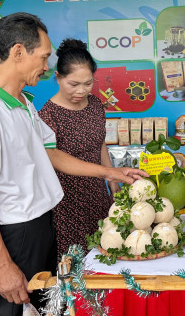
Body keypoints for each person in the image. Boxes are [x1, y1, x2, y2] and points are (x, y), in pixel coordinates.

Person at [0, 12, 147, 316]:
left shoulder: (22, 103)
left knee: (44, 307)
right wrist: (1, 265)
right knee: (13, 308)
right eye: (44, 57)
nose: (46, 66)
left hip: (42, 224)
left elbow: (52, 154)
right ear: (18, 52)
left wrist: (110, 172)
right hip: (16, 234)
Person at [38, 38, 121, 258]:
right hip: (66, 204)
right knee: (74, 265)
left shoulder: (95, 105)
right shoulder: (48, 115)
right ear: (58, 77)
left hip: (98, 196)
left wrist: (113, 186)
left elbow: (100, 145)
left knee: (105, 254)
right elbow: (52, 159)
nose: (81, 91)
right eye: (73, 84)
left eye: (88, 83)